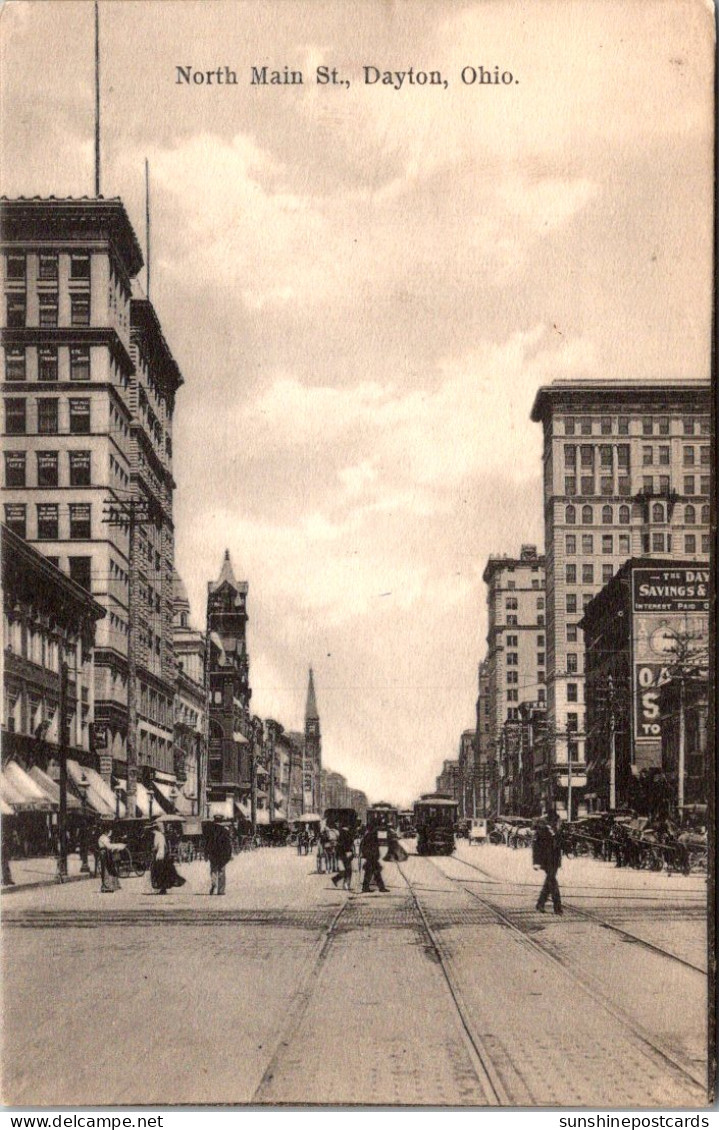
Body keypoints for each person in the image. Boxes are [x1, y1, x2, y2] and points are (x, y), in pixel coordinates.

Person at [532, 810, 563, 915]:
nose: (558, 822)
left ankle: (540, 903)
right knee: (552, 881)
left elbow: (560, 843)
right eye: (556, 821)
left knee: (549, 882)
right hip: (546, 860)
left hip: (555, 860)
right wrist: (536, 862)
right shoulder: (541, 829)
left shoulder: (557, 830)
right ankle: (557, 907)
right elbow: (536, 847)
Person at [150, 820, 185, 895]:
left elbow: (156, 846)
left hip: (159, 855)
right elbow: (165, 845)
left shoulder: (156, 836)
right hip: (163, 855)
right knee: (163, 872)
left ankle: (162, 888)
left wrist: (153, 849)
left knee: (158, 872)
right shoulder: (162, 835)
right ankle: (163, 888)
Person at [205, 817, 233, 895]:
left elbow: (207, 843)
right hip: (222, 854)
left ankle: (214, 883)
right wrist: (229, 855)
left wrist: (206, 853)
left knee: (213, 870)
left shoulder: (210, 831)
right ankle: (221, 890)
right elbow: (228, 845)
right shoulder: (225, 831)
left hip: (213, 854)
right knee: (221, 871)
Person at [360, 826, 387, 893]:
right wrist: (373, 855)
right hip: (371, 857)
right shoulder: (371, 835)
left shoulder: (369, 835)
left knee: (374, 873)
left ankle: (380, 887)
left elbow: (363, 846)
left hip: (371, 857)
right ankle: (379, 888)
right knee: (371, 873)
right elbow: (372, 847)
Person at [97, 827, 121, 893]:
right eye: (110, 831)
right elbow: (108, 846)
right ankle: (106, 886)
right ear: (107, 832)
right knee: (105, 869)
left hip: (105, 853)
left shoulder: (104, 837)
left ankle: (108, 885)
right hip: (104, 854)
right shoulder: (104, 838)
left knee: (107, 868)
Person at [332, 824, 355, 890]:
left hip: (343, 854)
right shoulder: (346, 834)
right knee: (348, 869)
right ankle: (346, 884)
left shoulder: (342, 835)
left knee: (347, 870)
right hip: (346, 854)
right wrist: (350, 852)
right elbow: (347, 845)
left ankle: (340, 881)